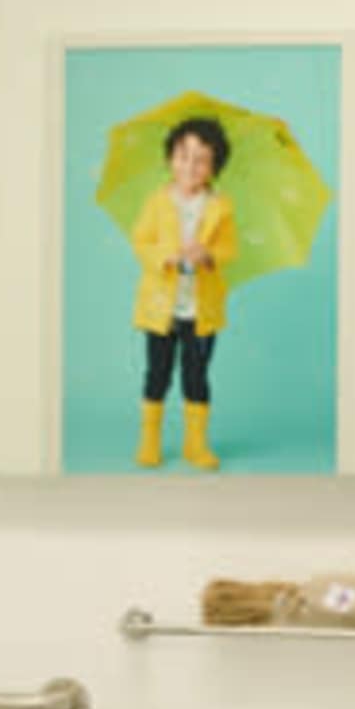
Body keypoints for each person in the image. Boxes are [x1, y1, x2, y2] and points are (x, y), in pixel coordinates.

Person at [131, 116, 239, 470]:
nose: (190, 166)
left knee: (197, 374)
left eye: (201, 159)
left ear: (213, 168)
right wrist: (166, 257)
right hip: (161, 307)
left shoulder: (220, 206)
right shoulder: (157, 202)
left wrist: (207, 255)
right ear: (170, 159)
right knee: (157, 373)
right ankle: (150, 440)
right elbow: (141, 241)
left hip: (201, 309)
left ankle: (196, 443)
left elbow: (229, 249)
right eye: (183, 156)